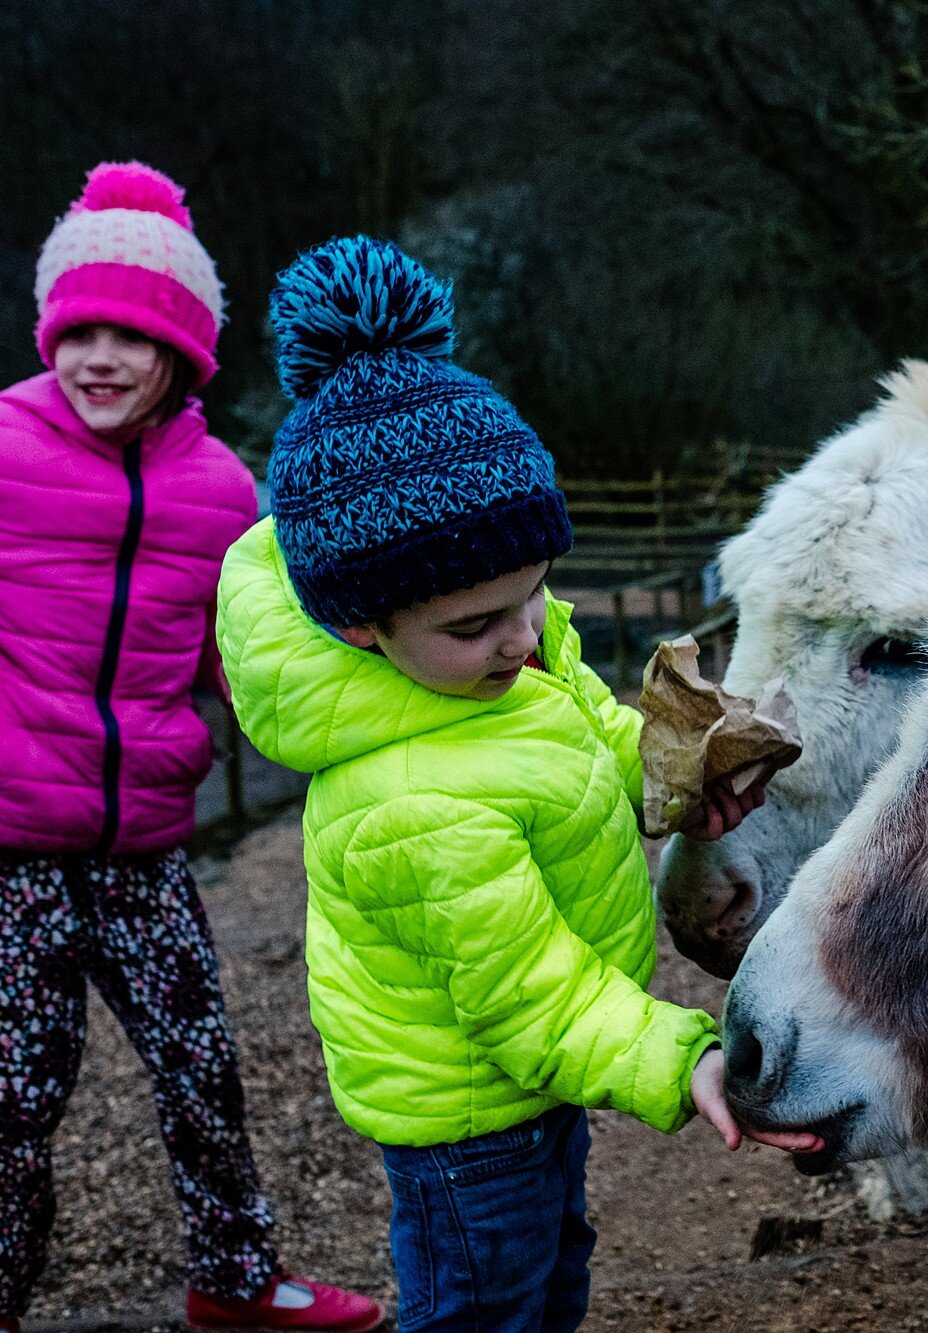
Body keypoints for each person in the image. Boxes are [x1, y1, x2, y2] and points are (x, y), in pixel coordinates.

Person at [216, 236, 818, 1333]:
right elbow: (526, 991)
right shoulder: (406, 800)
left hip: (532, 1087)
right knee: (484, 1305)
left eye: (535, 594)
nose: (522, 639)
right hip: (467, 1117)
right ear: (360, 623)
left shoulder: (500, 661)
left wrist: (670, 776)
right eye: (476, 623)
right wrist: (679, 1055)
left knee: (548, 1280)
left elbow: (577, 727)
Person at [0, 164, 384, 1333]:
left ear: (183, 352)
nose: (100, 357)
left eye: (130, 332)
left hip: (144, 850)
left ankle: (233, 1277)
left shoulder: (223, 493)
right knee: (14, 1103)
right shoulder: (1, 453)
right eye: (80, 330)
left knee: (203, 1070)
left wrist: (403, 665)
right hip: (12, 851)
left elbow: (260, 655)